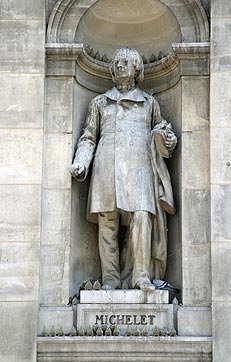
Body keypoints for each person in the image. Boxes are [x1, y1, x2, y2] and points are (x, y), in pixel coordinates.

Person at [70, 46, 177, 291]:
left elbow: (163, 129)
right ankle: (110, 279)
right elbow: (89, 137)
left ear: (137, 67)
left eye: (126, 62)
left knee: (141, 217)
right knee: (107, 223)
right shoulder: (100, 102)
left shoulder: (149, 103)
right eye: (117, 62)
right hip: (105, 168)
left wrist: (169, 138)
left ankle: (141, 277)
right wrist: (81, 162)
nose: (120, 66)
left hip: (138, 169)